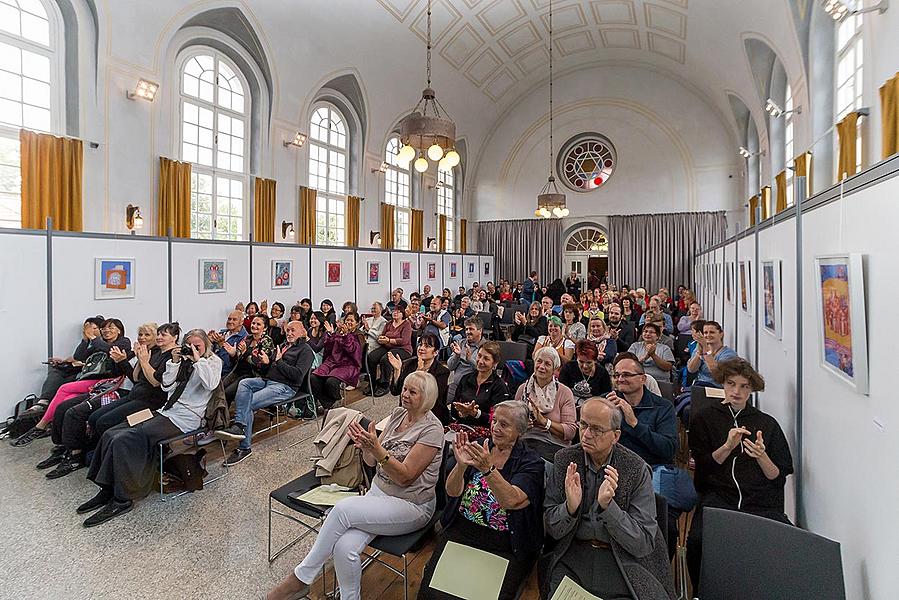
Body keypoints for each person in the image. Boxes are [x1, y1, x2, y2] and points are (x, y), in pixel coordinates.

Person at [268, 371, 444, 600]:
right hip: (378, 493)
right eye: (404, 388)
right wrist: (367, 447)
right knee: (344, 547)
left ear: (427, 397)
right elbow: (372, 463)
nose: (405, 394)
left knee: (342, 510)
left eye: (413, 391)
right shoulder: (398, 414)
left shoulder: (432, 429)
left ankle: (300, 578)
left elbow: (405, 477)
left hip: (411, 504)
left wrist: (378, 449)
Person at [77, 329, 223, 527]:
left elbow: (210, 383)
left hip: (186, 418)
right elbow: (166, 386)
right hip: (165, 410)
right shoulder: (183, 361)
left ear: (206, 345)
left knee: (127, 438)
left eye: (198, 346)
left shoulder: (213, 361)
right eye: (190, 345)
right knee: (113, 431)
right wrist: (175, 362)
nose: (193, 349)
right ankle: (106, 489)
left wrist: (198, 360)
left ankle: (122, 498)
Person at [541, 397, 673, 599]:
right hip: (574, 557)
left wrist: (608, 508)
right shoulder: (565, 460)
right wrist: (570, 508)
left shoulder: (636, 469)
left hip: (622, 561)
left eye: (597, 430)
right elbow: (552, 528)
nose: (586, 434)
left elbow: (643, 542)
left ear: (615, 436)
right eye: (583, 424)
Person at [419, 402, 544, 600]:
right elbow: (452, 492)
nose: (495, 427)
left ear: (520, 430)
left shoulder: (531, 462)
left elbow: (511, 501)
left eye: (504, 424)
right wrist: (460, 467)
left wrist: (487, 469)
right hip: (463, 529)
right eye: (494, 421)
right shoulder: (481, 447)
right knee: (433, 593)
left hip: (506, 541)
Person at [687, 358, 793, 588]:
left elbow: (777, 476)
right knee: (698, 541)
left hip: (761, 501)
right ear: (722, 384)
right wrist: (726, 447)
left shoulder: (767, 424)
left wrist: (761, 456)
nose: (736, 391)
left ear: (751, 389)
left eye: (744, 386)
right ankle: (701, 591)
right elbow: (703, 468)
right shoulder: (704, 418)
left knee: (784, 547)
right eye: (731, 384)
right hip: (719, 496)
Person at [38, 323, 169, 478]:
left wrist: (129, 360)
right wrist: (123, 360)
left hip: (125, 393)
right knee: (64, 407)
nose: (142, 338)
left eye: (148, 335)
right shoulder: (136, 351)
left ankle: (79, 454)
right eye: (140, 334)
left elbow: (148, 383)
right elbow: (124, 373)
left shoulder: (127, 344)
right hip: (112, 387)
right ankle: (68, 448)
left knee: (80, 414)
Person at [12, 319, 132, 447]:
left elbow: (112, 350)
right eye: (104, 328)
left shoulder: (123, 342)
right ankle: (62, 443)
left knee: (64, 388)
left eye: (111, 327)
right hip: (92, 379)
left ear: (119, 330)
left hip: (107, 382)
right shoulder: (99, 343)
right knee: (66, 401)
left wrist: (93, 337)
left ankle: (40, 426)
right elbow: (79, 356)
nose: (106, 330)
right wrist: (85, 340)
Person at [215, 321, 315, 464]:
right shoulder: (283, 346)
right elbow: (267, 371)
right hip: (269, 381)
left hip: (285, 387)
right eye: (288, 330)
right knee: (244, 383)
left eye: (293, 330)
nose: (289, 333)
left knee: (247, 403)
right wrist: (267, 363)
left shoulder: (305, 350)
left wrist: (279, 362)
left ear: (302, 332)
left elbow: (298, 376)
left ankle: (244, 447)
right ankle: (239, 425)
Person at [25, 315, 107, 418]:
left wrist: (92, 339)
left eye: (93, 328)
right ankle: (43, 402)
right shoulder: (89, 343)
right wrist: (84, 340)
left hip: (89, 374)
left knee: (61, 384)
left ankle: (46, 411)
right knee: (56, 371)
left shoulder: (104, 343)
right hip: (78, 368)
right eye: (87, 329)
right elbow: (78, 356)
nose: (89, 331)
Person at [606, 355, 677, 466]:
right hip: (613, 467)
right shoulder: (607, 403)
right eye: (616, 375)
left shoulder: (663, 407)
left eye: (626, 375)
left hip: (651, 468)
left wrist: (635, 424)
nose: (619, 379)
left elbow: (668, 450)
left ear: (643, 379)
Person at [515, 347, 577, 461]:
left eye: (547, 364)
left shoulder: (564, 392)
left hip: (553, 445)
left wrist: (545, 422)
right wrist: (522, 425)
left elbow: (570, 431)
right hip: (525, 440)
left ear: (555, 369)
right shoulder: (523, 389)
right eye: (539, 361)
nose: (541, 367)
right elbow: (513, 422)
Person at [388, 333, 451, 424]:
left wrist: (420, 372)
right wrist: (397, 370)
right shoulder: (410, 364)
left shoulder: (442, 372)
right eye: (420, 344)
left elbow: (431, 399)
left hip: (430, 415)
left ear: (435, 352)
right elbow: (396, 391)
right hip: (408, 412)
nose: (421, 348)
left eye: (427, 346)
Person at [449, 342, 508, 431]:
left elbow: (495, 419)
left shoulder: (499, 386)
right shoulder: (466, 379)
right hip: (462, 426)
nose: (480, 361)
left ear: (495, 363)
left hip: (484, 431)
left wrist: (475, 413)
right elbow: (454, 408)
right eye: (479, 356)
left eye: (486, 359)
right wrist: (462, 412)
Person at [310, 313, 363, 408]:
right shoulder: (338, 332)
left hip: (348, 364)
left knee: (331, 381)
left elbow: (352, 350)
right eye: (347, 320)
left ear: (357, 323)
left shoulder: (358, 335)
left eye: (351, 321)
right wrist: (331, 334)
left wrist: (346, 335)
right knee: (313, 377)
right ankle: (329, 404)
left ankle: (336, 401)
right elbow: (329, 348)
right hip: (331, 362)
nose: (348, 322)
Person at [220, 314, 275, 404]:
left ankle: (222, 417)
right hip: (239, 371)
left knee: (227, 393)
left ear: (265, 328)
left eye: (258, 324)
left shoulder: (266, 341)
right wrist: (233, 355)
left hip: (254, 375)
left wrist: (245, 352)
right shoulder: (247, 338)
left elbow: (259, 364)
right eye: (253, 323)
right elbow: (237, 360)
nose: (254, 326)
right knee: (219, 388)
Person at [369, 306, 413, 396]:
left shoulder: (406, 324)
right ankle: (372, 383)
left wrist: (388, 340)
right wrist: (381, 339)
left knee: (386, 359)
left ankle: (384, 385)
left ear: (402, 314)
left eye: (398, 311)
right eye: (393, 311)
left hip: (403, 349)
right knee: (371, 357)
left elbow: (404, 341)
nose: (395, 312)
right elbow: (382, 335)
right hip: (388, 347)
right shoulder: (389, 323)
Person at [559, 340, 612, 404]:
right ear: (576, 358)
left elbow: (606, 396)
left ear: (595, 360)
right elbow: (561, 391)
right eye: (581, 362)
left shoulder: (602, 373)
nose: (585, 366)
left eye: (589, 362)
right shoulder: (568, 368)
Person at [687, 320, 738, 387]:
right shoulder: (699, 349)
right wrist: (699, 353)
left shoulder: (729, 354)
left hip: (717, 388)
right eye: (705, 333)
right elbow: (691, 370)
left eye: (712, 332)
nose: (708, 335)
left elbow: (717, 373)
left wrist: (705, 348)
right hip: (699, 385)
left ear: (721, 334)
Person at [446, 316, 485, 402]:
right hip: (455, 384)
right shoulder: (461, 343)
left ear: (480, 331)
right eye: (466, 329)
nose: (468, 332)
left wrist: (470, 360)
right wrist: (457, 356)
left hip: (471, 388)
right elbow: (450, 366)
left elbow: (484, 370)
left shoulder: (485, 347)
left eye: (471, 329)